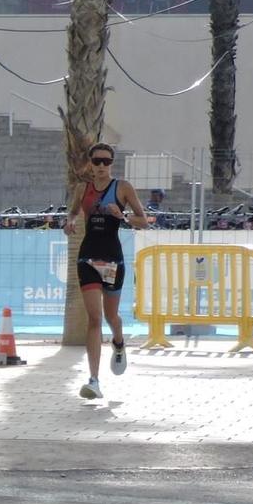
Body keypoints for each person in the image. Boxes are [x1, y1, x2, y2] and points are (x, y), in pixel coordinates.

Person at [65, 142, 150, 399]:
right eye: (97, 161)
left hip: (113, 259)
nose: (101, 166)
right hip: (88, 257)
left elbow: (143, 221)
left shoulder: (122, 188)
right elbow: (72, 212)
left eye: (106, 161)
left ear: (112, 163)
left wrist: (122, 217)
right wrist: (69, 222)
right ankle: (94, 380)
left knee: (111, 316)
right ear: (90, 163)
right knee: (94, 318)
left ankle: (119, 342)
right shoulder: (83, 188)